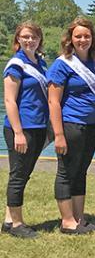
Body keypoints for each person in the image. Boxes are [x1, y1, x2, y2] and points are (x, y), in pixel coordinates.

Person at [47, 17, 95, 234]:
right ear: (70, 39)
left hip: (92, 126)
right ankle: (67, 221)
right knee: (66, 172)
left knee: (81, 171)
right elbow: (53, 101)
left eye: (86, 36)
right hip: (71, 125)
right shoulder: (62, 64)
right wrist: (59, 134)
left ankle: (79, 217)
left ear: (92, 38)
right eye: (78, 36)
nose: (83, 39)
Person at [2, 22, 48, 238]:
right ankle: (18, 224)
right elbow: (10, 101)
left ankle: (9, 220)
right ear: (18, 39)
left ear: (40, 40)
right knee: (19, 176)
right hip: (21, 128)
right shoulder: (16, 64)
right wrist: (18, 132)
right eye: (26, 37)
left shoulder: (41, 63)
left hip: (38, 127)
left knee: (22, 174)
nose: (30, 40)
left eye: (34, 37)